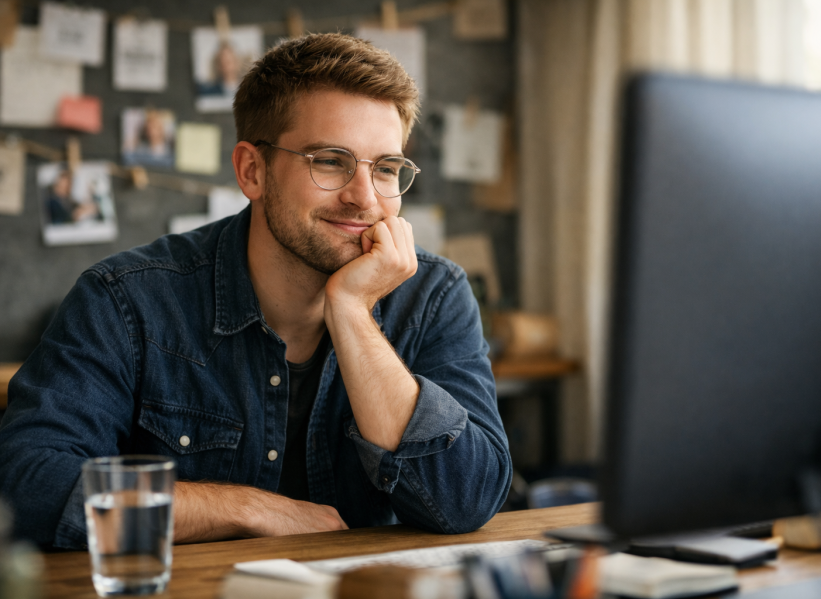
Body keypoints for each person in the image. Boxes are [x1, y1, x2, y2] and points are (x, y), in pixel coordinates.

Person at [0, 33, 512, 549]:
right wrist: (246, 509)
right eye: (331, 161)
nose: (365, 198)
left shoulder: (434, 295)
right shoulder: (125, 301)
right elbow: (25, 490)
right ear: (252, 171)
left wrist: (352, 311)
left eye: (385, 169)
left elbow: (466, 501)